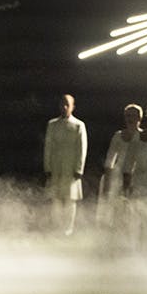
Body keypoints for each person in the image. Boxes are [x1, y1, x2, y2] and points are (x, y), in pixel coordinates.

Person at [43, 94, 87, 235]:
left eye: (67, 104)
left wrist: (79, 168)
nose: (64, 107)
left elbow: (82, 148)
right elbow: (48, 147)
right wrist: (47, 166)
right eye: (62, 104)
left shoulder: (79, 125)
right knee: (55, 199)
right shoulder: (52, 124)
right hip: (56, 167)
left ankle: (68, 229)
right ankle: (56, 227)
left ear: (73, 107)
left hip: (71, 167)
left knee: (70, 199)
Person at [100, 103, 142, 200]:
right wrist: (107, 181)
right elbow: (110, 159)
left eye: (133, 116)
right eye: (128, 116)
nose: (130, 119)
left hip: (137, 175)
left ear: (139, 118)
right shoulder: (118, 136)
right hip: (118, 175)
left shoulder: (144, 137)